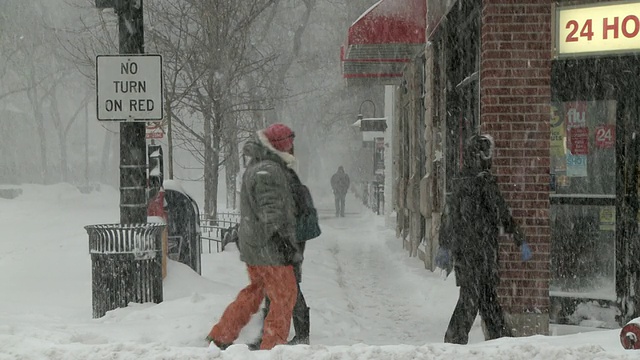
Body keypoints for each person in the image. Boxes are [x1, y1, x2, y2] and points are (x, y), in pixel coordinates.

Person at [206, 123, 300, 351]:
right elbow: (271, 212)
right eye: (290, 143)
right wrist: (283, 242)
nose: (293, 148)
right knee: (284, 296)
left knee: (256, 291)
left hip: (256, 245)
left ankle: (221, 335)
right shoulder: (268, 170)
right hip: (269, 248)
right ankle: (273, 347)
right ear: (282, 145)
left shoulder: (260, 166)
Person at [435, 134, 533, 345]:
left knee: (484, 299)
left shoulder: (461, 181)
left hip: (468, 253)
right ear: (482, 155)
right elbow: (502, 214)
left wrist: (446, 245)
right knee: (474, 300)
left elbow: (448, 217)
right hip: (481, 254)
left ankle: (501, 341)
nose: (490, 158)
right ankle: (456, 343)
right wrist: (519, 239)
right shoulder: (484, 181)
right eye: (488, 153)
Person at [247, 167, 321, 349]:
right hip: (288, 247)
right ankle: (273, 336)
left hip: (286, 248)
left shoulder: (288, 192)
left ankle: (297, 336)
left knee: (290, 290)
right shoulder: (293, 190)